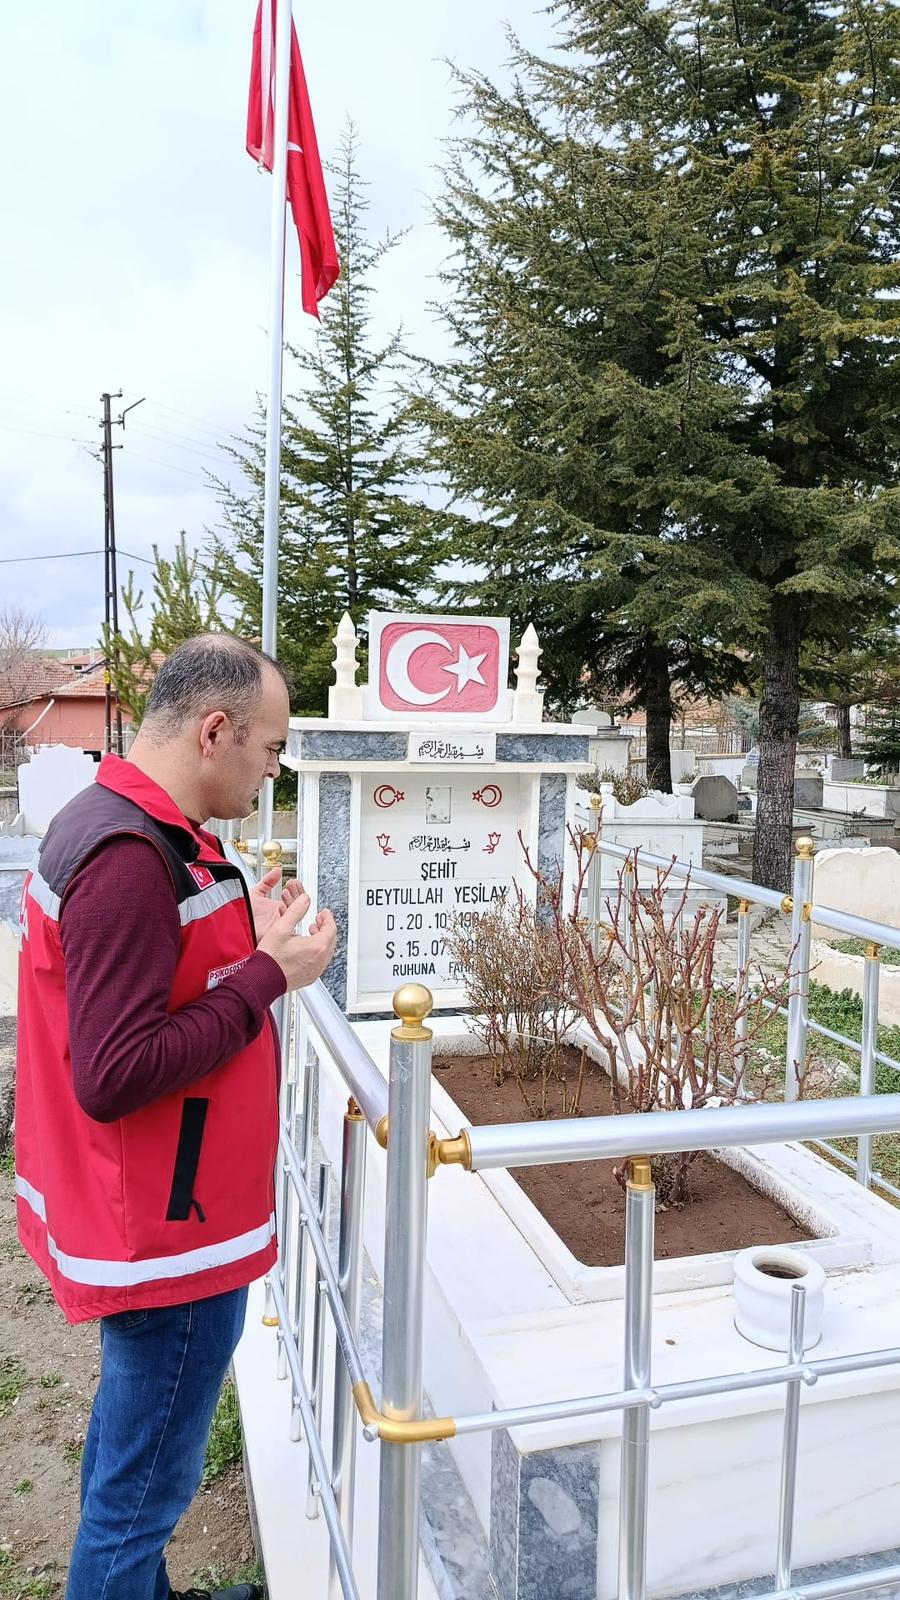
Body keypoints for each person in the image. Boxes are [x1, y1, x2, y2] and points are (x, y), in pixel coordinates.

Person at [15, 635, 337, 1600]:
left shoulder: (125, 823)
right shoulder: (127, 856)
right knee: (139, 1497)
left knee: (135, 1457)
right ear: (214, 731)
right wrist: (267, 976)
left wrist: (248, 939)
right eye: (270, 748)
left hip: (162, 1208)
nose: (273, 770)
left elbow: (162, 978)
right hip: (167, 1232)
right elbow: (115, 1071)